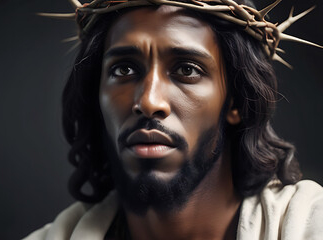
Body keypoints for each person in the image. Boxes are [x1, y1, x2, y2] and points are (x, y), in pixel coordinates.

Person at [26, 0, 323, 239]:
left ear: (236, 101)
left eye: (187, 69)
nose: (148, 102)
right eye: (124, 70)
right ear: (97, 97)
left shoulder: (310, 224)